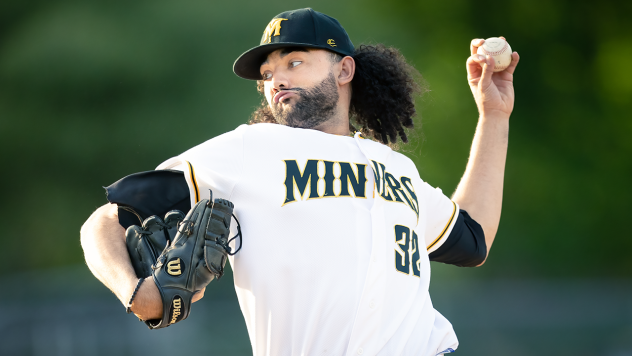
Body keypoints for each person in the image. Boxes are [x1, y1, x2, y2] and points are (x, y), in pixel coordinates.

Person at [80, 7, 519, 356]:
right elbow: (103, 222)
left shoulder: (396, 168)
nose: (277, 80)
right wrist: (135, 293)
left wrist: (494, 116)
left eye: (294, 62)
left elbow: (472, 239)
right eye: (268, 74)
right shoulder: (248, 150)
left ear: (344, 70)